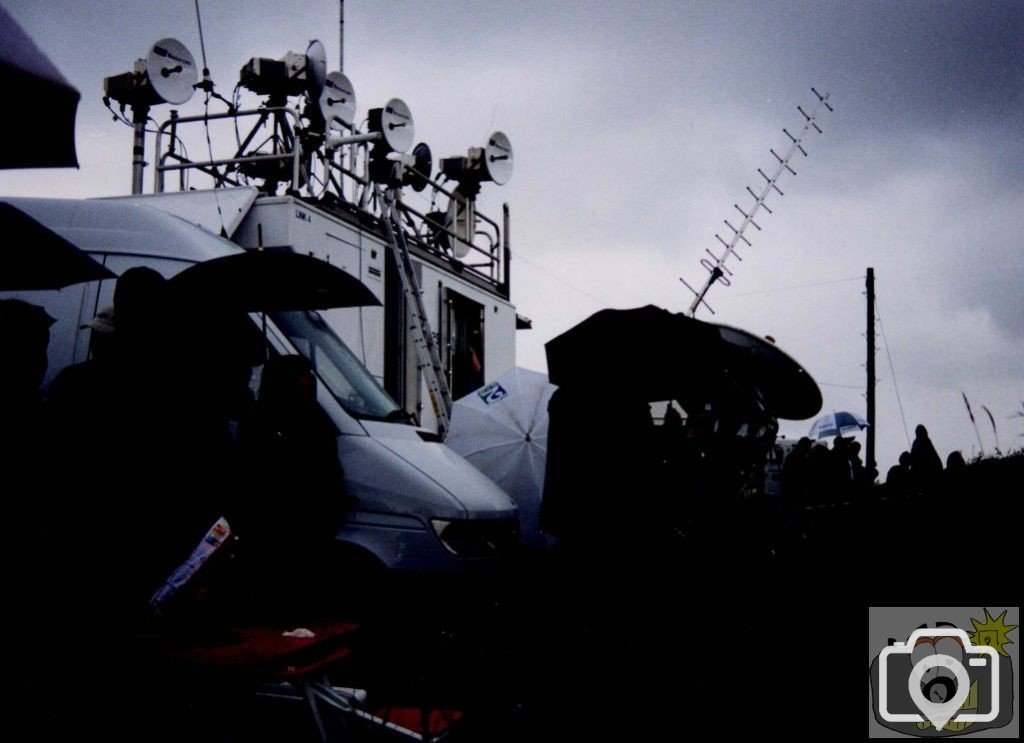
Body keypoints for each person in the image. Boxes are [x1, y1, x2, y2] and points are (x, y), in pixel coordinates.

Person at [910, 424, 943, 493]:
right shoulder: (917, 444)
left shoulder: (927, 441)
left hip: (931, 473)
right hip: (923, 475)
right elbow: (914, 460)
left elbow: (934, 456)